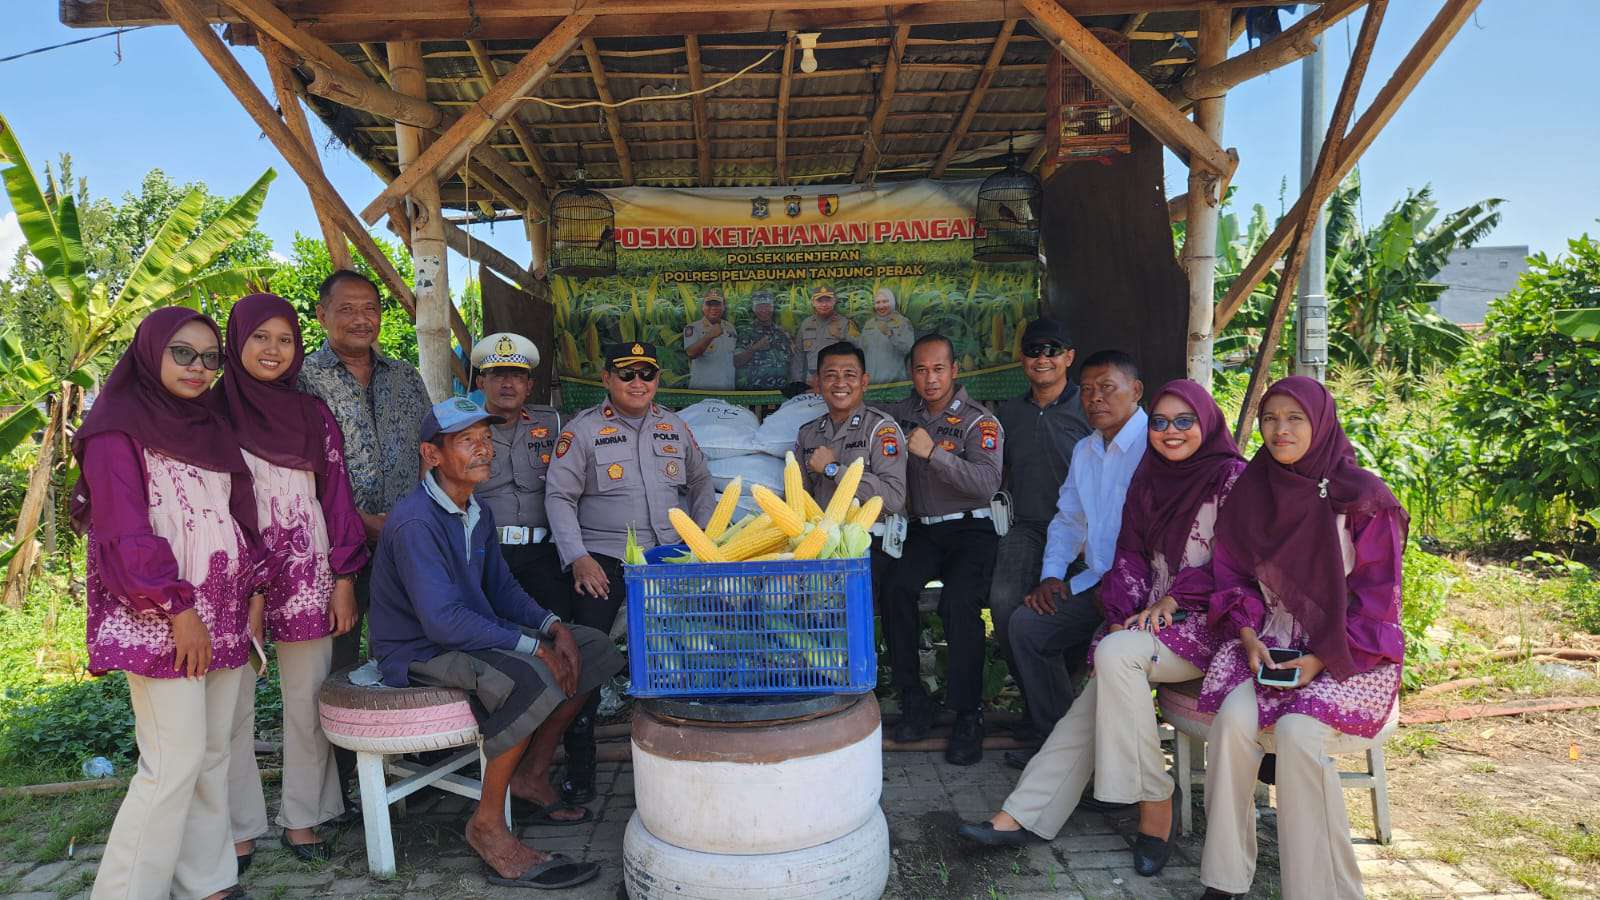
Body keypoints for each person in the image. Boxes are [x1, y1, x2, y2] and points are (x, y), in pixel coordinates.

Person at [959, 380, 1246, 881]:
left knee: (1115, 658)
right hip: (1147, 621)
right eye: (1160, 422)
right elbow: (1130, 555)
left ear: (1207, 422)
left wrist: (1173, 600)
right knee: (1105, 680)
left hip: (1211, 624)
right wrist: (1124, 607)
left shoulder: (1231, 480)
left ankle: (1153, 800)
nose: (1170, 432)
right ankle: (1025, 813)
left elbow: (1236, 563)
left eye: (1184, 421)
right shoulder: (1150, 478)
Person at [367, 398, 623, 889]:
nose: (484, 450)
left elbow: (501, 590)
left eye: (486, 439)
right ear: (432, 454)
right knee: (529, 675)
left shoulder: (474, 511)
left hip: (468, 633)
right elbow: (441, 622)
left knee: (592, 650)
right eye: (468, 442)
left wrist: (553, 626)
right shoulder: (418, 521)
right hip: (421, 650)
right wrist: (532, 648)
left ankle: (530, 775)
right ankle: (486, 824)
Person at [1196, 377, 1407, 900]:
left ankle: (1319, 891)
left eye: (1295, 418)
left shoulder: (1362, 498)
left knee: (1296, 735)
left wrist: (1319, 658)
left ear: (1321, 422)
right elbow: (1231, 575)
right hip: (1271, 645)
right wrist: (1247, 633)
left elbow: (1379, 599)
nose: (1279, 429)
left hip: (1351, 655)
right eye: (1270, 418)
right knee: (1232, 723)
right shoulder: (1253, 489)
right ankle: (1223, 878)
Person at [77, 307, 263, 900]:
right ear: (150, 351)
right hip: (160, 615)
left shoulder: (209, 424)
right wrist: (178, 609)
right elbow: (124, 530)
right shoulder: (115, 428)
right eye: (183, 352)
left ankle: (206, 880)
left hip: (223, 609)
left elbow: (238, 515)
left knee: (210, 753)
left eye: (210, 357)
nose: (198, 367)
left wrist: (252, 588)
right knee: (172, 761)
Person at [214, 294, 368, 872]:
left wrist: (344, 576)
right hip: (231, 580)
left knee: (308, 698)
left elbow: (336, 498)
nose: (273, 350)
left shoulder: (312, 415)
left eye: (283, 339)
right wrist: (250, 584)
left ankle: (303, 815)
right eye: (260, 338)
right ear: (238, 342)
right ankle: (238, 827)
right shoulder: (210, 415)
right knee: (233, 705)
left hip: (307, 570)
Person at [544, 341, 714, 803]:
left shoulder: (673, 426)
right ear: (606, 379)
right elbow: (559, 497)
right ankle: (580, 775)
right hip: (604, 559)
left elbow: (701, 483)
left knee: (685, 657)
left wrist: (700, 539)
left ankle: (686, 763)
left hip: (669, 560)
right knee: (586, 663)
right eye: (626, 373)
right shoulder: (583, 431)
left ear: (657, 379)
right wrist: (577, 557)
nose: (637, 382)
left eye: (647, 374)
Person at [296, 269, 431, 798]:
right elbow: (302, 470)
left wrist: (416, 520)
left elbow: (428, 451)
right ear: (322, 315)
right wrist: (360, 522)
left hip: (403, 541)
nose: (360, 319)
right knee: (340, 662)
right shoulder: (304, 378)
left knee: (410, 651)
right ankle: (347, 784)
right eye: (346, 309)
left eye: (370, 308)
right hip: (332, 547)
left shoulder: (405, 376)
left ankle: (418, 760)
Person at [1008, 350, 1146, 742]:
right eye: (1086, 390)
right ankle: (1062, 743)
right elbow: (1068, 519)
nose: (1095, 398)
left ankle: (1106, 753)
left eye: (1107, 388)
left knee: (1113, 654)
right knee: (1027, 626)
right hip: (1099, 582)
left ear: (1135, 391)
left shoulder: (1155, 445)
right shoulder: (1086, 450)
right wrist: (1052, 575)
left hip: (1145, 593)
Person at [884, 334, 1004, 765]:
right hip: (923, 533)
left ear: (955, 371)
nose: (930, 378)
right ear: (911, 373)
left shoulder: (979, 422)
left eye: (938, 369)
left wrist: (934, 453)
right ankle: (914, 699)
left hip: (972, 530)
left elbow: (987, 484)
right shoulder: (901, 414)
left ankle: (968, 714)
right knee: (895, 588)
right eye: (921, 369)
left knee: (958, 603)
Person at [986, 319, 1090, 751]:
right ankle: (1043, 707)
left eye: (1053, 349)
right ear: (1022, 359)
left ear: (1069, 357)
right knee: (1005, 604)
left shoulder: (1090, 407)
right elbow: (997, 471)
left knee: (1071, 616)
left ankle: (1057, 714)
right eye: (1033, 350)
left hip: (1085, 534)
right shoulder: (1010, 412)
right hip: (1026, 526)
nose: (1042, 358)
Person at [794, 341, 908, 603]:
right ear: (817, 383)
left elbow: (893, 498)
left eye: (850, 375)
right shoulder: (808, 433)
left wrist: (834, 470)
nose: (840, 383)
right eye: (830, 376)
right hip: (821, 546)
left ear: (865, 382)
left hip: (871, 543)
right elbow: (801, 499)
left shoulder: (881, 429)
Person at [470, 332, 568, 618]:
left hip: (543, 554)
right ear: (480, 383)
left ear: (529, 386)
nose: (508, 384)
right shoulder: (461, 430)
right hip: (485, 552)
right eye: (498, 375)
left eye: (517, 376)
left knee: (557, 626)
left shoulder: (555, 422)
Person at [792, 286, 859, 386]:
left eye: (828, 300)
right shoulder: (806, 324)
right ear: (813, 302)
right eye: (819, 301)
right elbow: (798, 356)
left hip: (837, 380)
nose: (824, 304)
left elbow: (859, 348)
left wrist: (841, 336)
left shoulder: (845, 323)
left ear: (834, 301)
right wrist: (797, 382)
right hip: (811, 381)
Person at [734, 290, 793, 390]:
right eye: (759, 307)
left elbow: (791, 361)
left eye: (767, 306)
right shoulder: (746, 332)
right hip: (756, 391)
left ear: (773, 308)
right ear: (753, 309)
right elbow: (737, 362)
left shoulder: (781, 332)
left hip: (782, 391)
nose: (764, 310)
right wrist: (755, 348)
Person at [858, 287, 916, 384]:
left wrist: (891, 335)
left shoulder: (902, 322)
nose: (881, 306)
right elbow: (861, 349)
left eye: (885, 301)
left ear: (892, 302)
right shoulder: (869, 324)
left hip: (894, 382)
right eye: (878, 302)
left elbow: (909, 349)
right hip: (872, 382)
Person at [684, 288, 738, 390]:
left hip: (728, 388)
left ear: (723, 307)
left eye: (717, 304)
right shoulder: (693, 328)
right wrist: (709, 335)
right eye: (709, 304)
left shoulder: (730, 328)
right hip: (702, 390)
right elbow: (691, 353)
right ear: (703, 307)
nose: (713, 308)